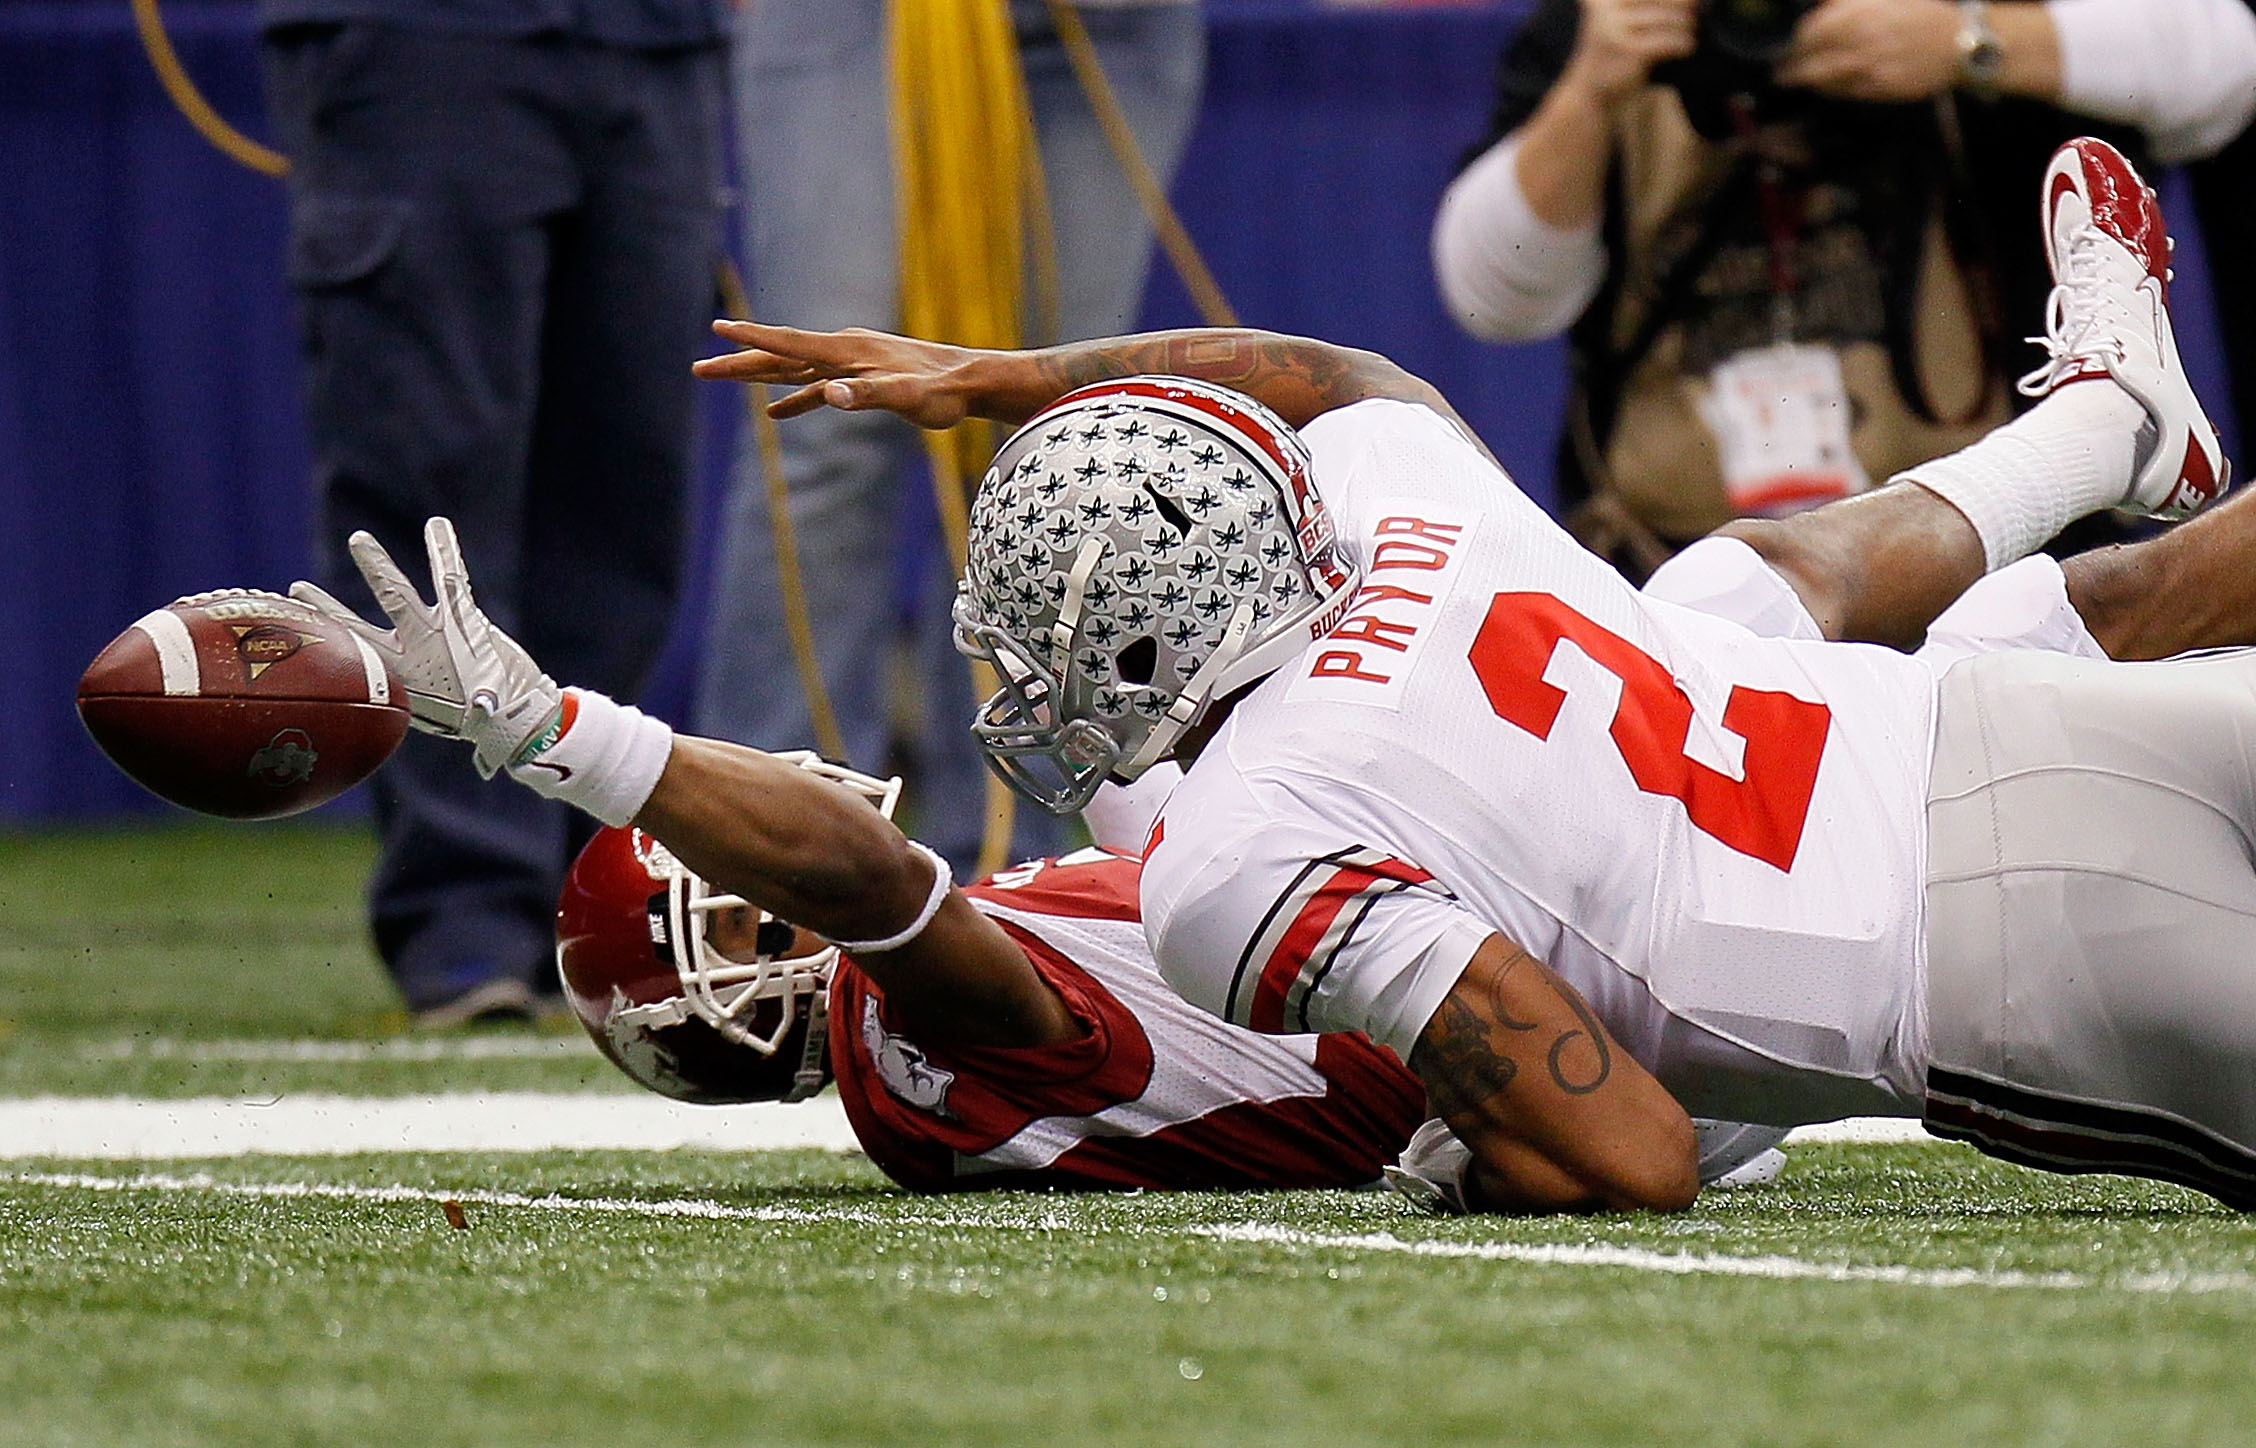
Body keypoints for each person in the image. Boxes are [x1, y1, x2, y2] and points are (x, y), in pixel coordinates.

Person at [695, 137, 2256, 1214]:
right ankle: (2109, 424)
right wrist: (1006, 376)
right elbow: (1314, 374)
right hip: (2009, 726)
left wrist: (1482, 1155)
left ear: (1139, 648)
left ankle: (2110, 423)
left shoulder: (1239, 847)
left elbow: (1631, 1151)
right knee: (1719, 598)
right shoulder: (1398, 493)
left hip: (1997, 971)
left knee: (1725, 603)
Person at [283, 518, 1787, 1193]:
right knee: (1732, 608)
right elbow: (869, 889)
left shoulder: (938, 1048)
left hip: (1500, 975)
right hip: (1556, 1022)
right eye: (746, 903)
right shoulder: (913, 1052)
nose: (778, 837)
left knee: (1727, 610)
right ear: (741, 975)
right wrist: (558, 732)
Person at [258, 0, 726, 1025]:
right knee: (425, 488)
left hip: (653, 40)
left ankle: (585, 899)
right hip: (420, 40)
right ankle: (464, 923)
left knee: (624, 497)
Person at [1430, 0, 2256, 575]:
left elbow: (2227, 64)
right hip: (1683, 580)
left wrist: (1967, 43)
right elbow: (1491, 301)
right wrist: (1588, 94)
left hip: (1992, 559)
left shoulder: (1953, 22)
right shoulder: (1597, 29)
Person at [697, 0, 1207, 875]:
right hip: (859, 21)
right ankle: (777, 854)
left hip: (1113, 20)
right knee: (830, 423)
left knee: (1053, 445)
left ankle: (1012, 863)